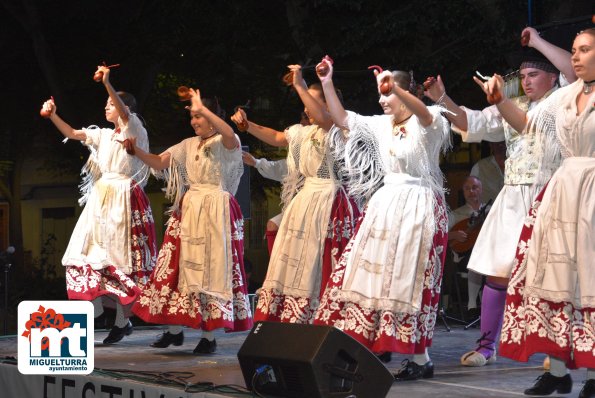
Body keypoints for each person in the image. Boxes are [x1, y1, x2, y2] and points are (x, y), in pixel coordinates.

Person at [425, 26, 576, 367]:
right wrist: (441, 99)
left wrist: (535, 40)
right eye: (522, 75)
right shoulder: (513, 103)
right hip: (513, 197)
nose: (526, 81)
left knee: (551, 276)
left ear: (552, 78)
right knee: (497, 273)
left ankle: (553, 349)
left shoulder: (564, 98)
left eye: (534, 74)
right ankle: (487, 345)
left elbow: (570, 69)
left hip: (549, 195)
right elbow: (471, 121)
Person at [312, 61, 451, 380]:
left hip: (419, 206)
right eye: (381, 93)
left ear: (404, 93)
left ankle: (420, 358)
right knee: (365, 276)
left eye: (386, 93)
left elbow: (426, 115)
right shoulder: (381, 123)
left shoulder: (431, 120)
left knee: (409, 282)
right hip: (385, 204)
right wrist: (328, 82)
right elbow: (342, 118)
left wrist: (397, 87)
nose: (382, 99)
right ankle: (354, 349)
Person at [497, 27, 595, 397]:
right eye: (574, 49)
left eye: (584, 50)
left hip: (593, 192)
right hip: (562, 191)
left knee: (589, 281)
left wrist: (536, 40)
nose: (576, 56)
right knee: (556, 278)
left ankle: (592, 376)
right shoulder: (566, 96)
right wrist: (499, 102)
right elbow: (528, 126)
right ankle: (557, 371)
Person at [231, 65, 359, 324]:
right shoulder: (304, 131)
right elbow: (278, 137)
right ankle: (296, 315)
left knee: (323, 258)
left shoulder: (341, 127)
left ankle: (328, 315)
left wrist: (299, 84)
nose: (305, 107)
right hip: (306, 201)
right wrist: (248, 126)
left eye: (311, 100)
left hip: (331, 200)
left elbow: (325, 120)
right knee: (298, 259)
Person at [40, 66, 157, 344]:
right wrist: (53, 115)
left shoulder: (134, 128)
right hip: (101, 198)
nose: (107, 107)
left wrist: (107, 83)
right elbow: (71, 132)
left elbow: (125, 113)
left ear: (123, 106)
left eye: (111, 103)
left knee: (119, 259)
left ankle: (120, 321)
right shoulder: (104, 135)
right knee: (85, 253)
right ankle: (92, 313)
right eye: (106, 103)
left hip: (123, 198)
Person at [130, 88, 252, 354]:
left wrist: (202, 106)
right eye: (193, 117)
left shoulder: (225, 142)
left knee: (211, 271)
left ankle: (209, 336)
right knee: (175, 268)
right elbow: (160, 162)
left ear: (211, 116)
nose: (194, 121)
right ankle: (174, 330)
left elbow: (231, 134)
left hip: (216, 211)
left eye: (199, 116)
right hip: (189, 210)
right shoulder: (187, 144)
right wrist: (136, 151)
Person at [447, 175, 486, 320]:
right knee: (475, 260)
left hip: (487, 254)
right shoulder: (456, 214)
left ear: (481, 190)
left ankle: (489, 306)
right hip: (463, 257)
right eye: (467, 188)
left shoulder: (490, 212)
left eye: (475, 187)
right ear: (463, 192)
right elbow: (442, 235)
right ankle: (472, 308)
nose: (471, 191)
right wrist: (454, 235)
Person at [241, 152, 288, 254]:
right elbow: (278, 168)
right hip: (297, 206)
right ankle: (275, 266)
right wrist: (255, 162)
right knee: (272, 224)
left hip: (317, 201)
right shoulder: (295, 161)